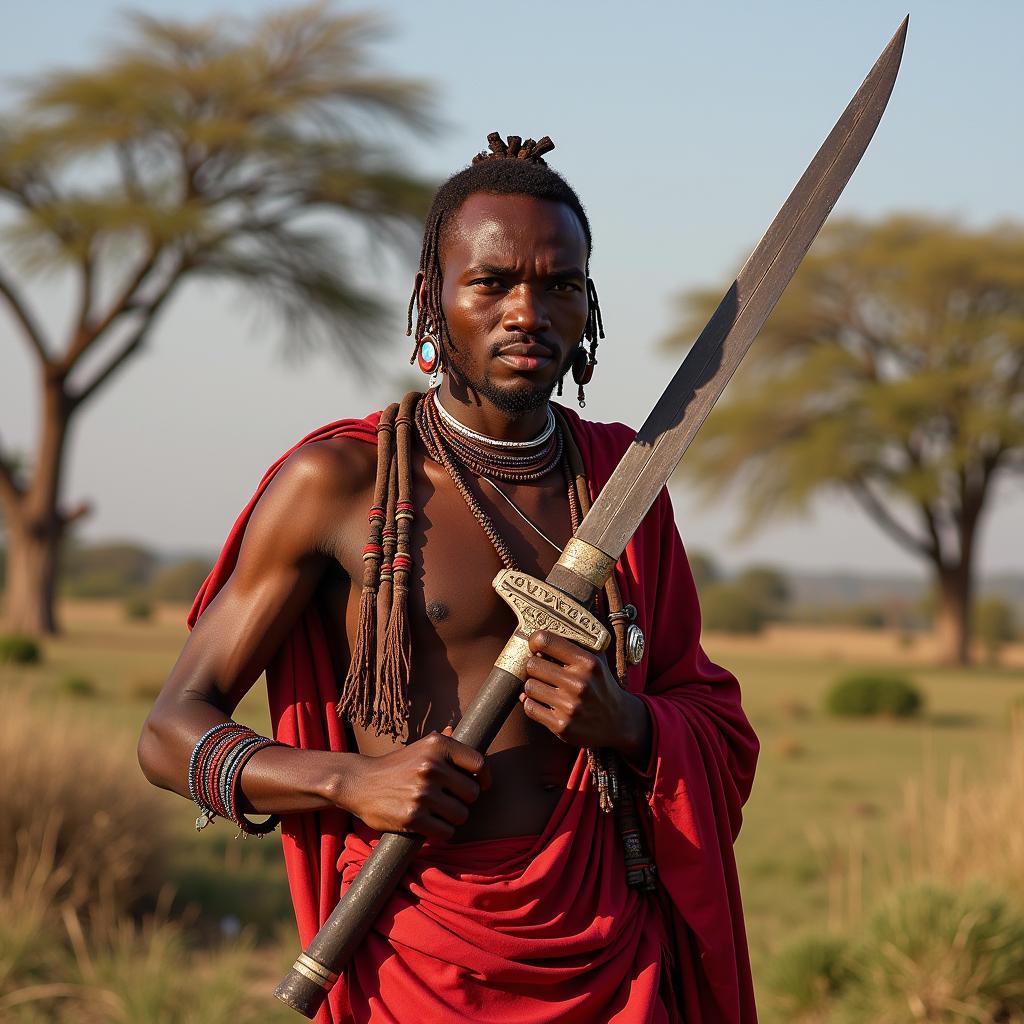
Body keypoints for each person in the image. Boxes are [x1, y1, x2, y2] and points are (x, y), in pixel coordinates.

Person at [138, 133, 759, 1023]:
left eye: (559, 285)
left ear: (589, 306)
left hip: (613, 950)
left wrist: (627, 722)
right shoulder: (338, 485)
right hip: (419, 954)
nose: (527, 312)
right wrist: (346, 782)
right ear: (432, 301)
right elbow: (167, 732)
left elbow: (715, 722)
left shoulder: (627, 480)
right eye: (493, 282)